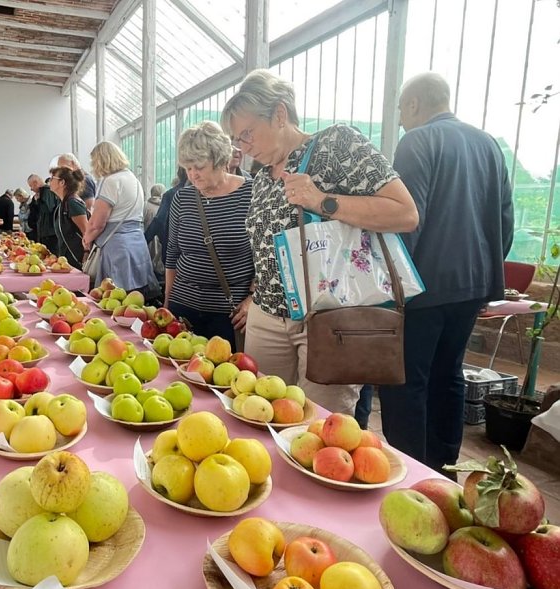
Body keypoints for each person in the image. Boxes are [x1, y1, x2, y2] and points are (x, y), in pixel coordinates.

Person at [220, 69, 418, 414]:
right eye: (237, 140)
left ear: (280, 114)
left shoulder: (336, 144)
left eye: (247, 134)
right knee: (258, 419)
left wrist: (322, 201)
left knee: (319, 429)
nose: (243, 147)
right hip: (267, 317)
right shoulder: (263, 176)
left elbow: (405, 213)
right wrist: (255, 295)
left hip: (329, 319)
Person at [378, 72, 514, 473]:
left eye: (401, 109)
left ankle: (411, 473)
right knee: (449, 373)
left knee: (406, 382)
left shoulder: (417, 141)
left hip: (423, 288)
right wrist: (487, 269)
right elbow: (503, 218)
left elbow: (408, 220)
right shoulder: (489, 144)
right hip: (473, 286)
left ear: (415, 104)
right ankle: (445, 465)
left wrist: (392, 290)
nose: (401, 119)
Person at [165, 122, 254, 343]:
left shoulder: (251, 194)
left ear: (220, 160)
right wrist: (167, 302)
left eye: (199, 167)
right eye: (188, 168)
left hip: (229, 314)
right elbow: (173, 253)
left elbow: (267, 255)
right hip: (183, 307)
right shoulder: (182, 198)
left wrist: (254, 298)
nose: (193, 175)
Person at [84, 141, 159, 299]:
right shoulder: (134, 179)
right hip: (138, 245)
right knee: (137, 300)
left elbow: (98, 223)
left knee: (114, 300)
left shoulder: (110, 181)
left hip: (117, 248)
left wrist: (87, 239)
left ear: (100, 160)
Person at [145, 167, 189, 261]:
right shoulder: (206, 192)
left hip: (173, 250)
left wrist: (145, 240)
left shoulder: (171, 194)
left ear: (179, 173)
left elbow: (159, 220)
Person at [50, 166, 89, 269]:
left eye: (52, 178)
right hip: (68, 258)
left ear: (62, 182)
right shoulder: (64, 203)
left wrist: (86, 253)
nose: (50, 181)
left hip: (77, 259)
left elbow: (86, 231)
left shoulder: (72, 203)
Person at [27, 173, 59, 254]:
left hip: (50, 233)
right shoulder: (42, 193)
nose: (31, 189)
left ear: (35, 183)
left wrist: (38, 201)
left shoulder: (47, 191)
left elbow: (48, 209)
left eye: (31, 186)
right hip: (44, 233)